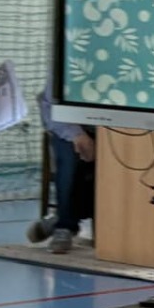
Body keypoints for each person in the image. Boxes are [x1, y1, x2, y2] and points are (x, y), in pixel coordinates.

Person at [29, 87, 96, 255]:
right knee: (70, 161)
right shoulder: (61, 71)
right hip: (69, 126)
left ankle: (63, 216)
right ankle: (64, 226)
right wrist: (77, 135)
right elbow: (51, 107)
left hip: (113, 127)